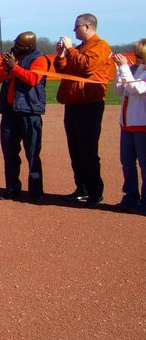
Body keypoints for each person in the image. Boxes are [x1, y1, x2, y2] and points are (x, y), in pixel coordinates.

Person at [55, 13, 114, 206]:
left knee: (88, 150)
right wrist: (62, 55)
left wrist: (70, 49)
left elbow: (87, 66)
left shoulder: (100, 46)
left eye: (77, 27)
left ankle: (95, 192)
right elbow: (63, 70)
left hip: (89, 104)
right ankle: (81, 187)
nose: (74, 30)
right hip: (72, 103)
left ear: (87, 27)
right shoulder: (80, 49)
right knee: (75, 150)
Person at [0, 31, 50, 202]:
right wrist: (8, 68)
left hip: (29, 112)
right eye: (16, 43)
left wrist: (14, 68)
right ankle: (11, 188)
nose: (16, 47)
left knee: (32, 153)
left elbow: (33, 79)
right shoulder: (11, 57)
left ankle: (35, 191)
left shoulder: (39, 59)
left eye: (20, 45)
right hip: (10, 112)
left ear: (30, 46)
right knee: (9, 153)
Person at [113, 40, 146, 210]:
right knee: (127, 162)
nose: (137, 57)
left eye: (140, 54)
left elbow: (137, 89)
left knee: (144, 164)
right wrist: (119, 69)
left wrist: (124, 68)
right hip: (127, 123)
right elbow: (119, 90)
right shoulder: (135, 69)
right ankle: (131, 196)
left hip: (142, 124)